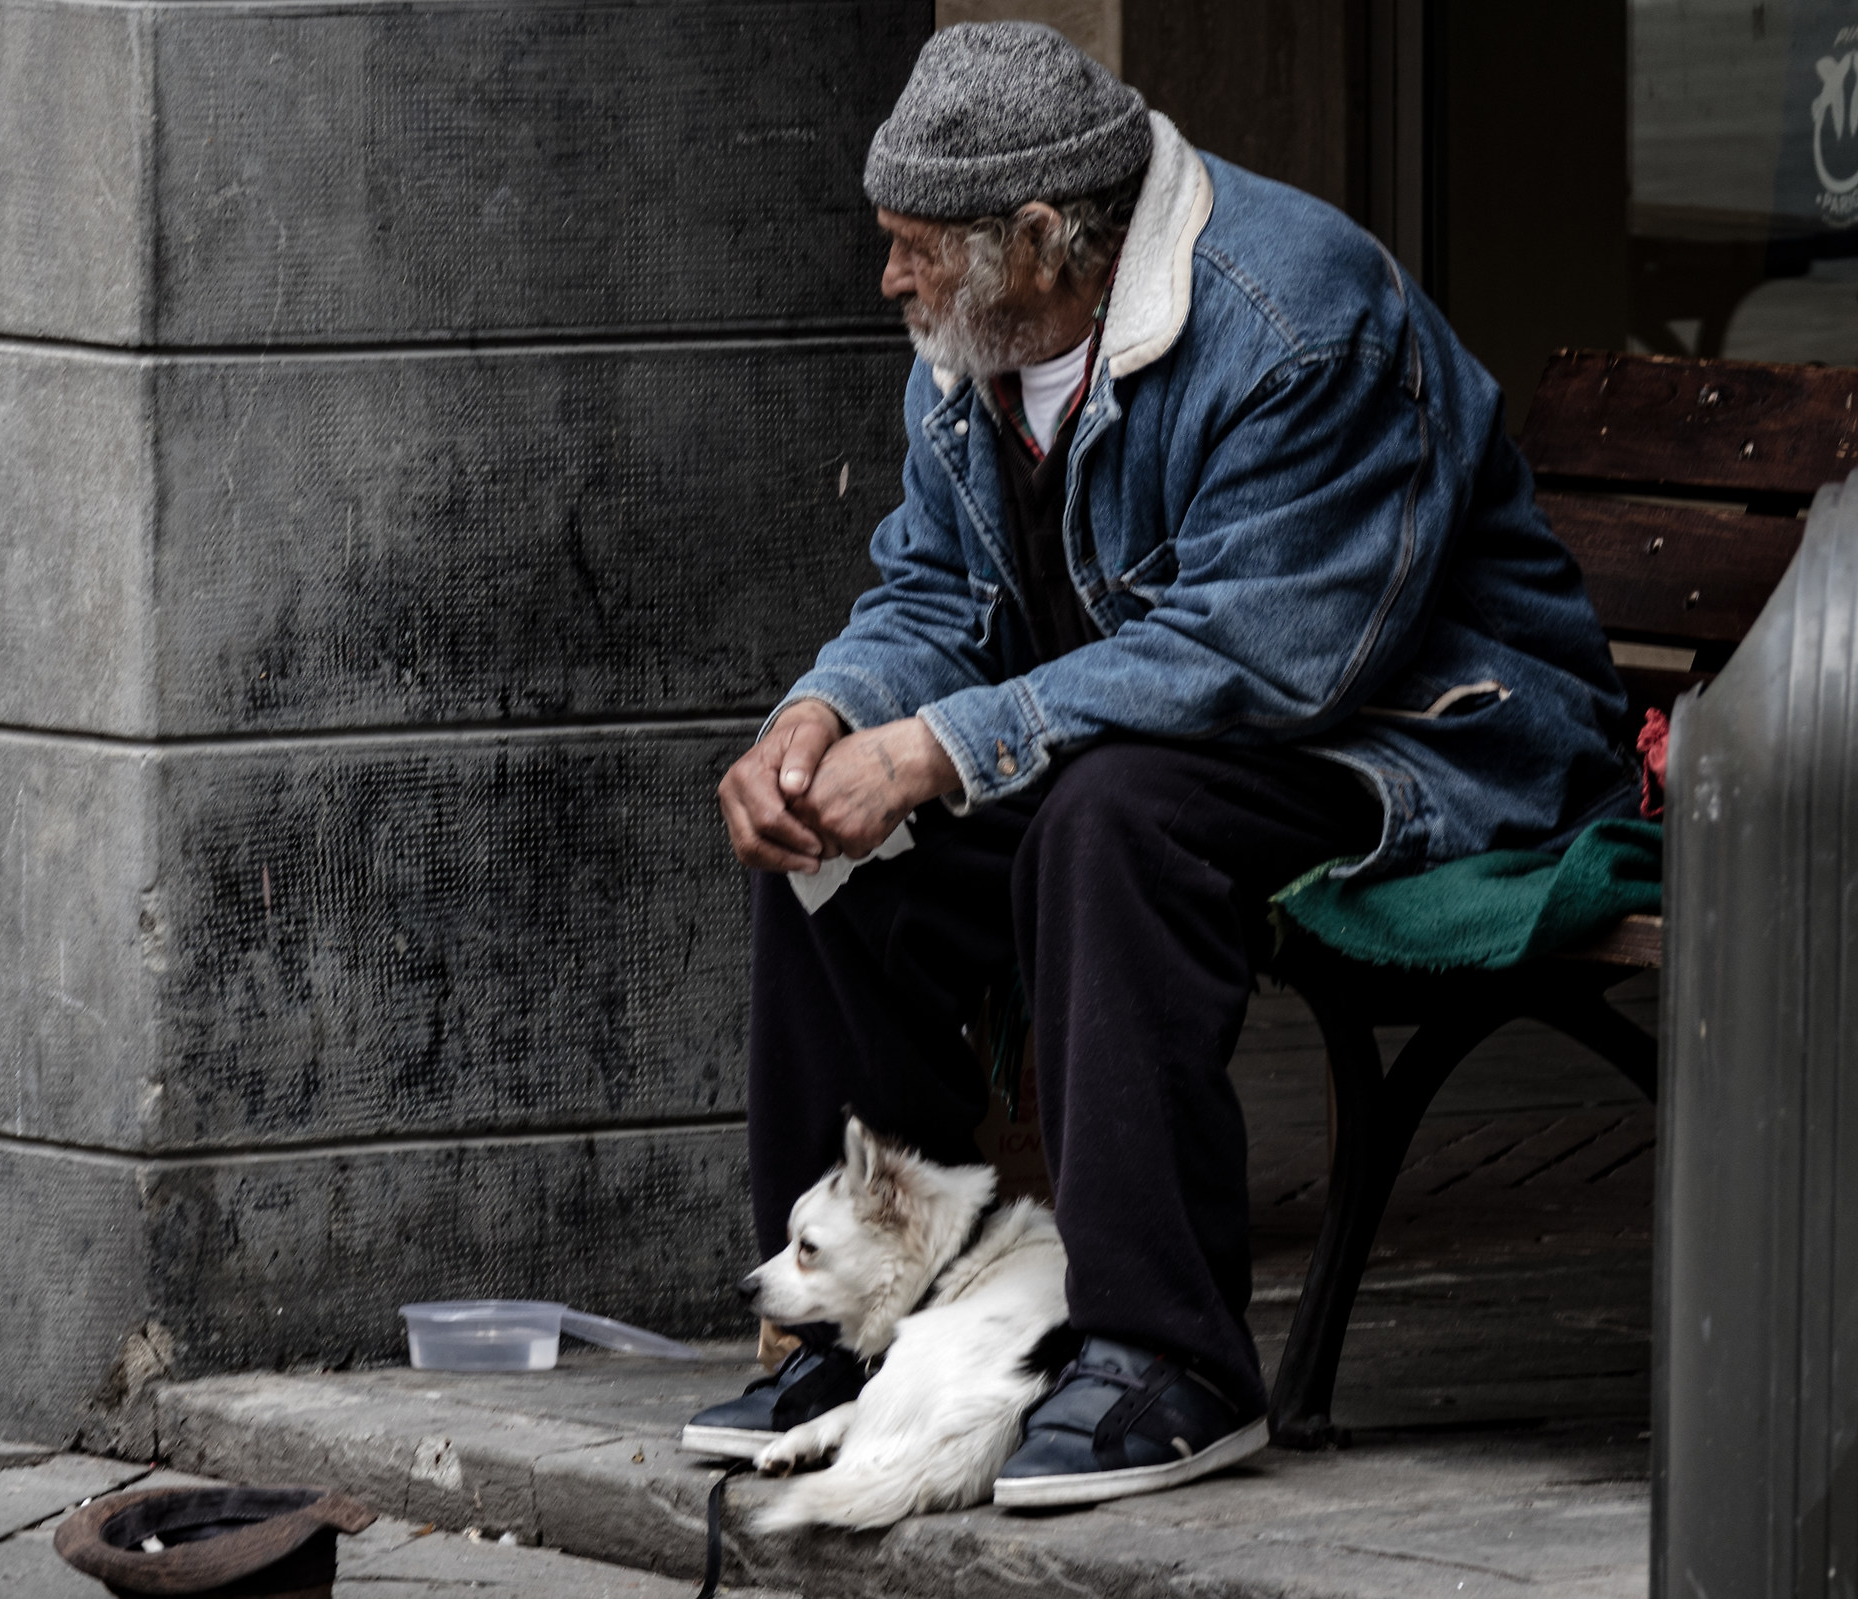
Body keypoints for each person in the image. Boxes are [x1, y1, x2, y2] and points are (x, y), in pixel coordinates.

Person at [690, 21, 1634, 1506]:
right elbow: (938, 594)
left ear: (1045, 239)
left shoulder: (1302, 315)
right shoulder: (974, 339)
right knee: (837, 841)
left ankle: (1169, 1361)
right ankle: (880, 1334)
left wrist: (941, 746)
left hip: (1422, 740)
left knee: (1112, 818)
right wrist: (826, 719)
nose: (891, 280)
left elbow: (1264, 658)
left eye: (915, 249)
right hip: (1158, 735)